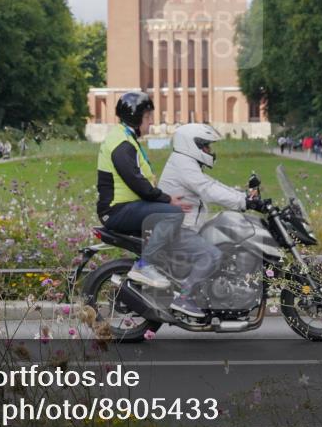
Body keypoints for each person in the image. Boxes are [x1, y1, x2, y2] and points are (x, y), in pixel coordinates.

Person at [158, 124, 264, 318]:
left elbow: (212, 185)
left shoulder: (185, 162)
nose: (209, 151)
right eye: (206, 146)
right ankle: (183, 298)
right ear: (193, 145)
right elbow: (208, 189)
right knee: (212, 255)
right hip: (179, 228)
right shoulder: (183, 164)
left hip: (185, 225)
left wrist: (243, 196)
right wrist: (244, 202)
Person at [96, 92, 190, 288]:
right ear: (135, 118)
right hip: (116, 211)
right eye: (148, 117)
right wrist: (166, 200)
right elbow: (137, 183)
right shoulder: (122, 144)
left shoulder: (125, 138)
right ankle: (144, 266)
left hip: (126, 207)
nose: (151, 122)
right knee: (173, 214)